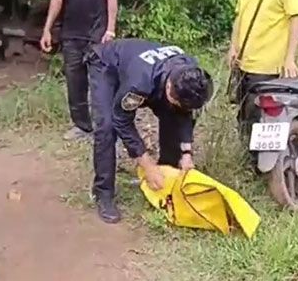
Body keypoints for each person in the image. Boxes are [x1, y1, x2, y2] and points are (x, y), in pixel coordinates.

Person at [86, 38, 213, 224]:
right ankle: (103, 193)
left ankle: (166, 177)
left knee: (173, 115)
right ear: (169, 87)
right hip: (107, 64)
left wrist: (186, 153)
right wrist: (146, 164)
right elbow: (121, 119)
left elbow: (185, 114)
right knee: (107, 126)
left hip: (148, 70)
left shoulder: (191, 74)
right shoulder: (139, 83)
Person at [40, 0, 118, 140]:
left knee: (100, 82)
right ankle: (82, 126)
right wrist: (47, 29)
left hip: (97, 33)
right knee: (75, 82)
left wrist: (110, 28)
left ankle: (104, 128)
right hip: (71, 33)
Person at [227, 0, 298, 133]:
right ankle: (245, 151)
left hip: (268, 68)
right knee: (244, 117)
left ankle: (261, 155)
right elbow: (239, 17)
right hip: (243, 65)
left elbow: (296, 19)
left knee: (262, 120)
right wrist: (233, 47)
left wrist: (290, 58)